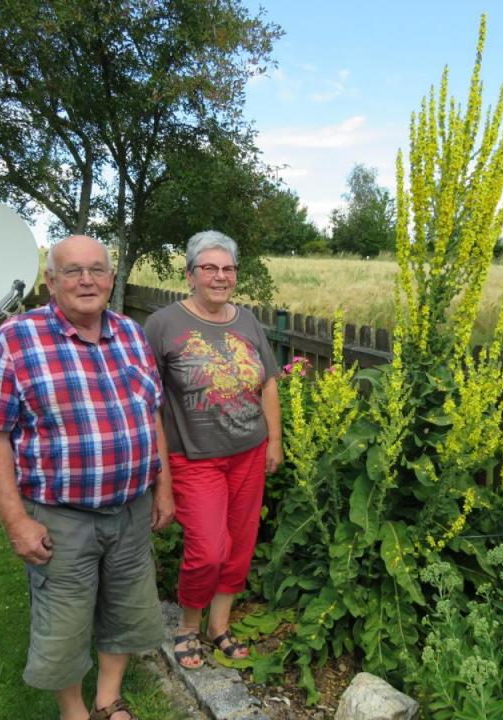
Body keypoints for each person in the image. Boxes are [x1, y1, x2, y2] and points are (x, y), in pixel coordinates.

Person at [0, 234, 175, 720]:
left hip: (131, 510)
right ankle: (73, 710)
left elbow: (152, 415)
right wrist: (17, 523)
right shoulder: (15, 340)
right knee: (64, 622)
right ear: (50, 281)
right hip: (60, 517)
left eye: (97, 270)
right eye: (72, 271)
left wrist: (163, 488)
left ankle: (108, 698)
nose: (86, 280)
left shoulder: (130, 333)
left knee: (126, 609)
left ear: (111, 278)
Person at [143, 230, 282, 669]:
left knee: (239, 545)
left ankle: (218, 626)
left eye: (228, 269)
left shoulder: (247, 321)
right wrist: (160, 476)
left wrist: (275, 440)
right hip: (194, 457)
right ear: (190, 275)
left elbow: (268, 382)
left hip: (248, 453)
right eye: (209, 268)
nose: (220, 277)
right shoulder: (163, 325)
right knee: (208, 549)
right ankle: (188, 626)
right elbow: (149, 402)